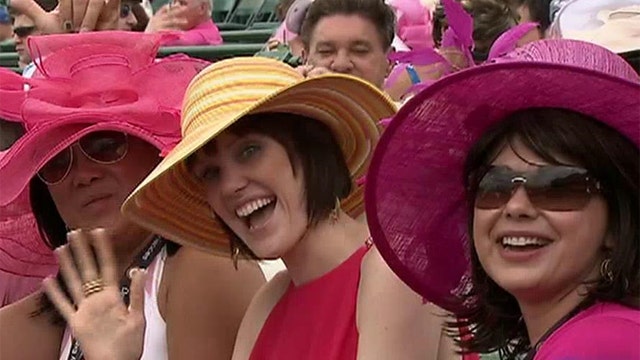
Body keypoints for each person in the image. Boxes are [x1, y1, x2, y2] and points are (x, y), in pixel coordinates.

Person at [43, 56, 459, 360]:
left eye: (250, 150)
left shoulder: (392, 269)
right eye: (210, 173)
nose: (231, 185)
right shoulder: (268, 303)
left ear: (312, 145)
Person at [365, 38, 640, 359]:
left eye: (557, 187)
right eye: (494, 185)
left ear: (616, 222)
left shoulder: (596, 345)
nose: (517, 206)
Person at [0, 31, 265, 359]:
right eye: (57, 164)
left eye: (106, 146)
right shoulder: (52, 309)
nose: (84, 175)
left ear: (154, 150)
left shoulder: (205, 265)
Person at [295, 0, 396, 90]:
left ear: (390, 61)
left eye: (359, 51)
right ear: (305, 59)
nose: (341, 65)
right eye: (326, 51)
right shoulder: (284, 107)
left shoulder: (406, 111)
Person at [144, 0, 223, 46]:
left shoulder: (203, 36)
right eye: (173, 2)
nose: (175, 6)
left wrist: (149, 33)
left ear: (202, 8)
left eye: (182, 3)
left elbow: (153, 45)